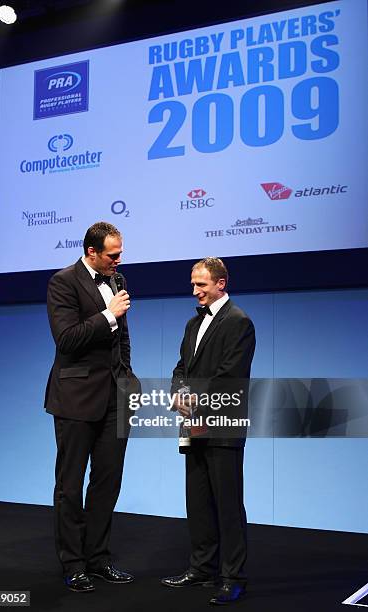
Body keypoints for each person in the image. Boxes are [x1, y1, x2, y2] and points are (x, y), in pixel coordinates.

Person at [45, 221, 139, 592]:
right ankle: (73, 564)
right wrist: (107, 315)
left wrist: (128, 378)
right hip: (76, 398)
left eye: (120, 253)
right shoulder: (63, 282)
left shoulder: (118, 279)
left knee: (107, 482)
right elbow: (66, 339)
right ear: (91, 252)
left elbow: (123, 338)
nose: (119, 260)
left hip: (115, 397)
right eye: (112, 255)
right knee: (70, 485)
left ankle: (98, 558)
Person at [161, 257, 255, 605]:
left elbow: (231, 374)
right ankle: (202, 568)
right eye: (193, 284)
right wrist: (178, 393)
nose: (195, 290)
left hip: (223, 424)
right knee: (198, 500)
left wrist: (194, 397)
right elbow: (181, 366)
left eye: (201, 284)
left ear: (221, 284)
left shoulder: (239, 322)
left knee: (227, 503)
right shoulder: (191, 324)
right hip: (194, 422)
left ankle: (234, 577)